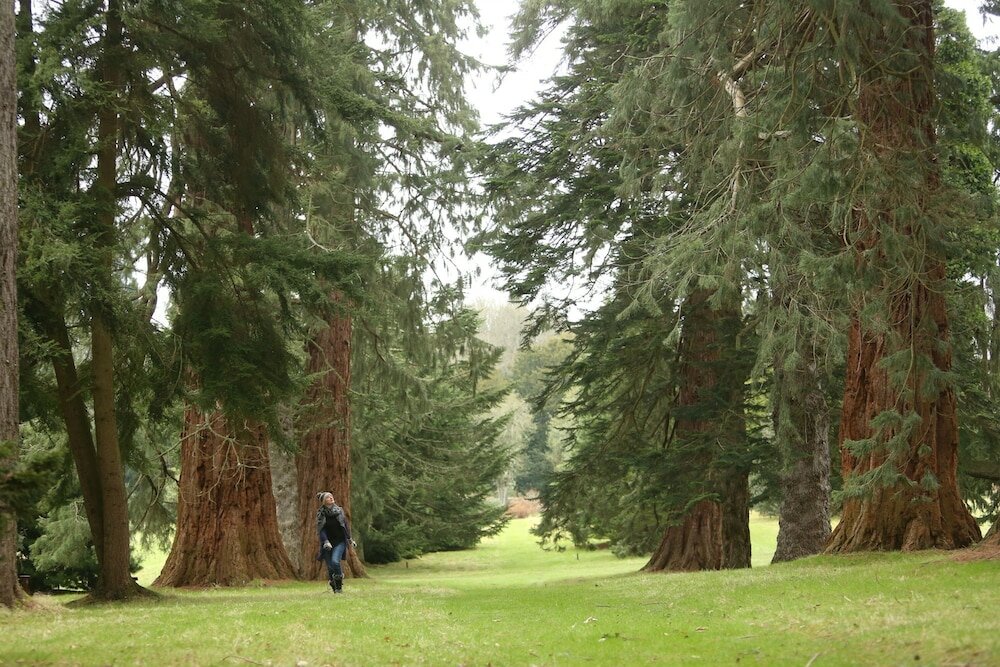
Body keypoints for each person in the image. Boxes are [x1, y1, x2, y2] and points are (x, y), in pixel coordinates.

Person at [315, 491, 356, 593]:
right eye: (328, 497)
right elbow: (321, 530)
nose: (331, 498)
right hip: (327, 543)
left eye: (331, 497)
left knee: (335, 561)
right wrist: (325, 541)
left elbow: (345, 526)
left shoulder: (339, 511)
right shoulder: (321, 513)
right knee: (330, 567)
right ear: (324, 501)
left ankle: (339, 588)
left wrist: (350, 539)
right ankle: (335, 587)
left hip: (340, 541)